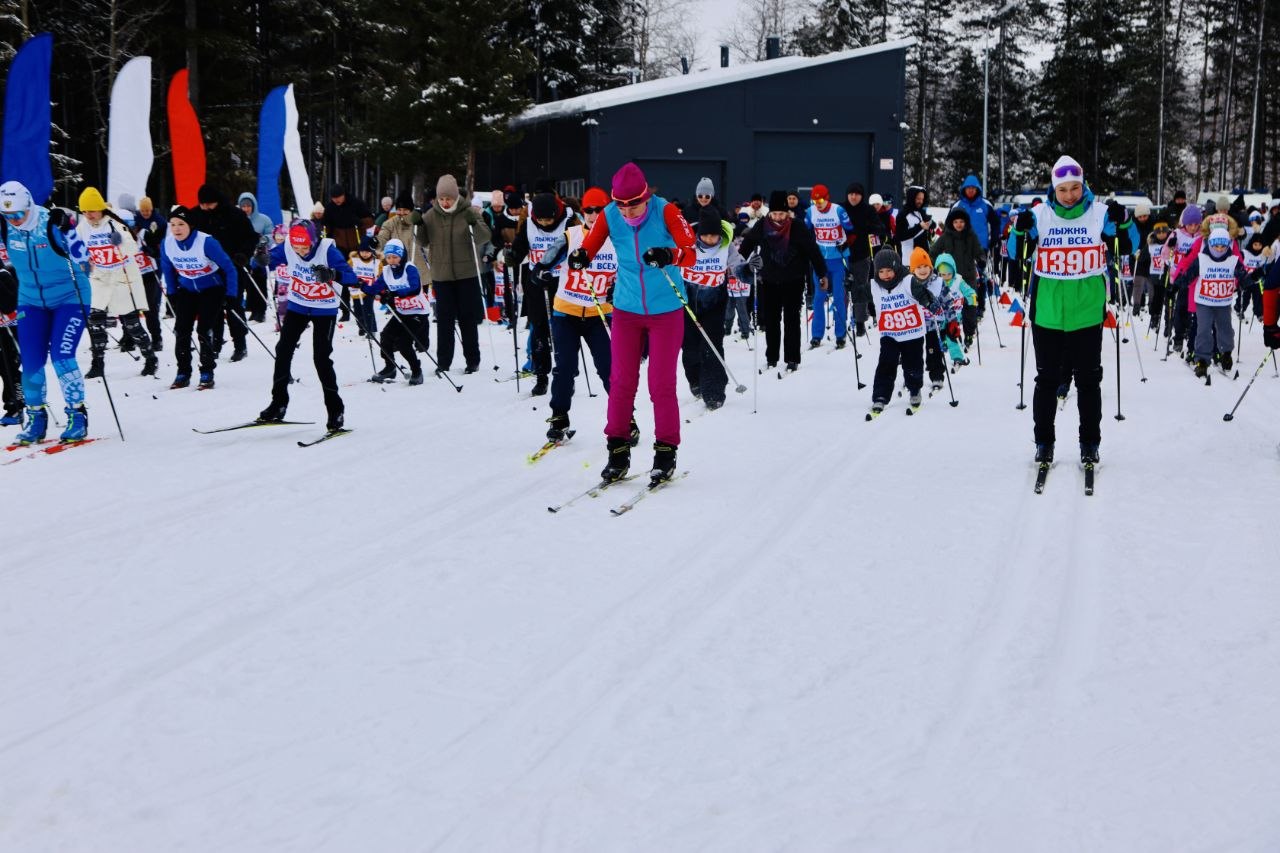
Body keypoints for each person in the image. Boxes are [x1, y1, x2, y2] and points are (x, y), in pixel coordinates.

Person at [567, 162, 696, 483]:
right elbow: (590, 245)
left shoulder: (665, 211)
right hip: (626, 308)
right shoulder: (611, 214)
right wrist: (582, 256)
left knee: (660, 384)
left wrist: (670, 255)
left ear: (645, 196)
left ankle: (666, 451)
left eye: (633, 205)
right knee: (622, 381)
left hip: (666, 310)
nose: (626, 213)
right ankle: (617, 451)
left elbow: (690, 250)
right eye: (621, 205)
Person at [1011, 155, 1111, 466]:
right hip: (1048, 311)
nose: (1069, 195)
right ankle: (1044, 441)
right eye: (1063, 189)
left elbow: (1129, 244)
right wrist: (1018, 230)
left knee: (1088, 381)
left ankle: (1089, 442)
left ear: (1083, 186)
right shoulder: (1040, 215)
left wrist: (1124, 223)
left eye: (1075, 188)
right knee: (1047, 380)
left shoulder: (1099, 213)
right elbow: (1014, 253)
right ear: (1054, 189)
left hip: (1087, 309)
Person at [0, 181, 92, 443]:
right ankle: (36, 418)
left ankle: (77, 414)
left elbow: (83, 258)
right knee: (31, 360)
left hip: (70, 297)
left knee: (62, 356)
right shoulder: (4, 226)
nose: (15, 221)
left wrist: (70, 230)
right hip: (30, 299)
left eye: (18, 214)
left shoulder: (51, 222)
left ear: (29, 205)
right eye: (8, 216)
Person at [533, 186, 616, 439]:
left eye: (598, 210)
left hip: (599, 315)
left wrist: (620, 289)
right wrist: (541, 270)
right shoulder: (572, 236)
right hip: (566, 314)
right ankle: (559, 416)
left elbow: (631, 273)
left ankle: (625, 416)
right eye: (588, 210)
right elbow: (548, 258)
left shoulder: (619, 240)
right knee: (565, 368)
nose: (592, 215)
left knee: (608, 368)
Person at [258, 220, 354, 431]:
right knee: (283, 350)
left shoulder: (328, 250)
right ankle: (278, 404)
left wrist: (333, 274)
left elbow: (351, 277)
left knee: (321, 357)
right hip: (298, 305)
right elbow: (268, 261)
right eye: (296, 247)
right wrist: (259, 258)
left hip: (324, 309)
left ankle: (336, 410)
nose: (300, 252)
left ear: (314, 240)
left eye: (305, 247)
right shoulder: (288, 245)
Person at [737, 190, 828, 372]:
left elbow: (812, 251)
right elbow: (746, 246)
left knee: (791, 319)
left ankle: (792, 358)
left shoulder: (797, 226)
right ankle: (772, 357)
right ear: (769, 213)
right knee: (771, 319)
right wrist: (739, 265)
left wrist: (821, 273)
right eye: (775, 214)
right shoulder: (763, 225)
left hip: (793, 279)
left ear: (788, 213)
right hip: (770, 279)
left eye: (781, 214)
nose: (778, 217)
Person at [74, 187, 158, 379]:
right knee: (95, 321)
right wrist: (83, 262)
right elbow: (76, 248)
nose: (89, 215)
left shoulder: (114, 225)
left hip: (121, 277)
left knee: (131, 324)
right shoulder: (83, 226)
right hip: (100, 278)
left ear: (101, 209)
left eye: (92, 210)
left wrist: (120, 242)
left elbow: (132, 248)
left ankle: (150, 356)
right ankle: (98, 362)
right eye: (85, 211)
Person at [159, 206, 237, 389]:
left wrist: (231, 294)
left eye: (181, 224)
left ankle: (207, 371)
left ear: (190, 226)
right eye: (172, 225)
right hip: (187, 289)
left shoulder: (206, 242)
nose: (176, 229)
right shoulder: (167, 244)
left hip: (211, 288)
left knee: (203, 330)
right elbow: (167, 268)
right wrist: (171, 292)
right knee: (181, 330)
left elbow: (229, 267)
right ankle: (183, 372)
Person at [420, 175, 491, 375]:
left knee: (467, 318)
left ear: (455, 197)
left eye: (448, 198)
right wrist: (419, 226)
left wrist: (475, 224)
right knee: (444, 320)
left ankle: (472, 360)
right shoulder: (431, 215)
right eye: (441, 199)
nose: (444, 202)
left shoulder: (468, 212)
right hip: (441, 276)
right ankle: (444, 361)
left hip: (466, 274)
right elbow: (422, 242)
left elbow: (484, 236)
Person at [680, 208, 744, 409]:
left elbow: (738, 265)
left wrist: (749, 268)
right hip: (687, 304)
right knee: (690, 348)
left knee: (712, 347)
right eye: (705, 235)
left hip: (714, 304)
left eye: (713, 235)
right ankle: (695, 380)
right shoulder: (687, 244)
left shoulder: (726, 246)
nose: (710, 239)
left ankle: (714, 391)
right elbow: (671, 260)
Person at [189, 184, 258, 361]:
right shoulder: (196, 215)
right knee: (212, 308)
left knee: (233, 305)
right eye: (202, 204)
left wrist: (244, 254)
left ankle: (240, 343)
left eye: (209, 204)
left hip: (233, 266)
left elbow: (251, 237)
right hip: (207, 269)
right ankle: (215, 343)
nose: (205, 208)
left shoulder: (234, 215)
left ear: (217, 201)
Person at [1171, 223, 1251, 377]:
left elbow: (1243, 276)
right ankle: (1202, 360)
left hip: (1223, 302)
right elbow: (1189, 275)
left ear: (1228, 245)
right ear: (1210, 244)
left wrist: (1249, 281)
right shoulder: (1202, 259)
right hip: (1204, 301)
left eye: (1223, 246)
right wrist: (1176, 285)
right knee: (1203, 330)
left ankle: (1226, 353)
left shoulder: (1233, 260)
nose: (1220, 249)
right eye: (1216, 245)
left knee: (1225, 328)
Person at [867, 247, 932, 416]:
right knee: (886, 364)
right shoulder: (875, 285)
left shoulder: (908, 281)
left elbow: (921, 292)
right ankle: (880, 395)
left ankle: (915, 388)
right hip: (890, 334)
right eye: (881, 271)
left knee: (913, 364)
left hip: (912, 332)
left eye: (889, 270)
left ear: (896, 268)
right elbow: (862, 293)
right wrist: (852, 287)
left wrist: (928, 302)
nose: (886, 275)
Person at [367, 239, 426, 385]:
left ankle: (416, 371)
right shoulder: (386, 271)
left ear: (402, 256)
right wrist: (358, 285)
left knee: (403, 343)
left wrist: (393, 294)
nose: (391, 260)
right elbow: (375, 288)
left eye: (395, 257)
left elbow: (415, 288)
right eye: (388, 257)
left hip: (418, 312)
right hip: (401, 312)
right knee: (385, 336)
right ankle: (389, 367)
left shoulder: (409, 268)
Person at [805, 184, 853, 348]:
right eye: (814, 200)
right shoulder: (811, 212)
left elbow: (852, 230)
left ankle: (840, 335)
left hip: (838, 260)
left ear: (827, 198)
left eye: (821, 200)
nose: (818, 203)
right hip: (820, 262)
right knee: (819, 298)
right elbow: (804, 230)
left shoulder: (838, 211)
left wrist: (846, 243)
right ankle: (817, 335)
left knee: (839, 297)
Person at [930, 208, 983, 345]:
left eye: (961, 222)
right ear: (951, 223)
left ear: (965, 223)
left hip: (968, 276)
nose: (959, 224)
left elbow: (979, 251)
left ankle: (969, 333)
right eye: (955, 222)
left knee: (970, 306)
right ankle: (950, 333)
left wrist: (981, 258)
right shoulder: (946, 236)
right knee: (950, 306)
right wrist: (934, 266)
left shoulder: (971, 235)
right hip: (949, 278)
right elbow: (934, 251)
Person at [842, 182, 887, 337]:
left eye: (857, 194)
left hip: (861, 256)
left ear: (862, 196)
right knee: (842, 289)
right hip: (841, 255)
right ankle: (841, 322)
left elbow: (881, 228)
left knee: (860, 288)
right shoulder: (841, 208)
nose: (853, 197)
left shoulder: (868, 210)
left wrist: (868, 226)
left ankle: (860, 321)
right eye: (851, 194)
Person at [237, 192, 274, 322]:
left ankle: (261, 310)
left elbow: (271, 234)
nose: (246, 209)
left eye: (248, 206)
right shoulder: (237, 219)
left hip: (259, 257)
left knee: (260, 282)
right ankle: (252, 309)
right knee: (248, 284)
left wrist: (264, 240)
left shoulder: (263, 219)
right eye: (243, 206)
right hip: (244, 258)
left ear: (253, 206)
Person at [347, 235, 381, 338]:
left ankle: (371, 330)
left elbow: (380, 275)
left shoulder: (376, 262)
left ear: (372, 251)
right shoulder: (353, 261)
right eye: (362, 251)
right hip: (355, 290)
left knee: (368, 310)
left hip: (368, 290)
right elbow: (347, 271)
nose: (365, 254)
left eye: (367, 251)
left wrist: (378, 289)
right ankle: (362, 326)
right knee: (358, 311)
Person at [0, 262, 21, 425]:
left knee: (10, 366)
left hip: (12, 327)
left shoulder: (4, 274)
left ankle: (16, 405)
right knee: (3, 366)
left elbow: (9, 305)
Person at [894, 185, 932, 259]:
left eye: (922, 199)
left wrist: (931, 224)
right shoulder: (902, 215)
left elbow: (928, 222)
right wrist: (919, 227)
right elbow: (900, 236)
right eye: (918, 199)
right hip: (908, 257)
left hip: (923, 257)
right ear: (912, 198)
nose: (920, 201)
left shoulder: (921, 212)